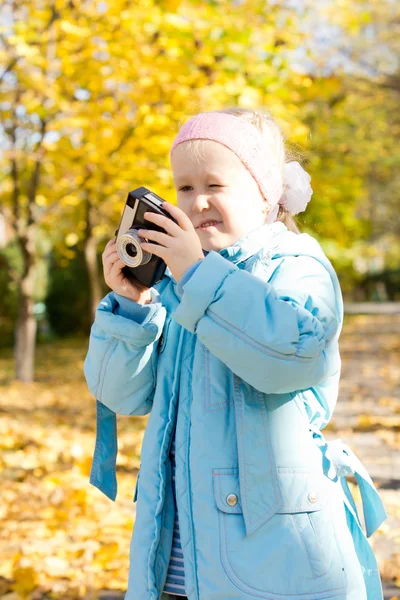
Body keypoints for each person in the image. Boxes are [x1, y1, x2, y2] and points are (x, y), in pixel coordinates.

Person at [83, 108, 387, 600]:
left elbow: (289, 357)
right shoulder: (180, 281)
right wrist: (130, 305)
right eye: (183, 188)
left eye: (214, 185)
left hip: (274, 555)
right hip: (177, 556)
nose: (196, 201)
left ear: (265, 193)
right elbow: (122, 394)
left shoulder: (297, 263)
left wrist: (195, 276)